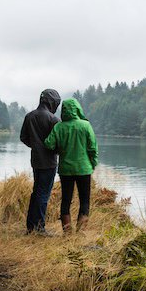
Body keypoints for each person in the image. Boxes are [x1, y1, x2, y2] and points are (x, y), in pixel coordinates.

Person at [43, 98, 98, 233]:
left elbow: (48, 144)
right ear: (78, 109)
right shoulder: (85, 126)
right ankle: (80, 234)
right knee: (84, 200)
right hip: (84, 169)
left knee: (66, 200)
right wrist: (93, 164)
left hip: (65, 170)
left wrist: (61, 148)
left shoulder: (59, 127)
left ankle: (67, 234)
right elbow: (92, 148)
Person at [20, 89, 62, 235]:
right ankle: (39, 228)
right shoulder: (54, 120)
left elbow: (23, 138)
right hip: (49, 162)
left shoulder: (29, 116)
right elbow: (59, 144)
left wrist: (36, 146)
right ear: (53, 102)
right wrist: (53, 151)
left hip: (36, 160)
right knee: (43, 194)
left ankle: (31, 226)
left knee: (36, 192)